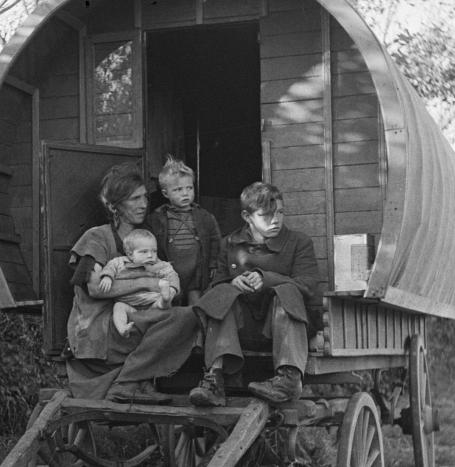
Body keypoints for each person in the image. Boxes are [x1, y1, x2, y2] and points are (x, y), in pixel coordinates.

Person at [65, 164, 201, 403]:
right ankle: (127, 384)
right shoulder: (96, 237)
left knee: (187, 316)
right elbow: (95, 288)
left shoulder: (147, 241)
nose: (143, 204)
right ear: (115, 205)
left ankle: (136, 380)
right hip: (102, 328)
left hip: (137, 318)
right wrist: (146, 283)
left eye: (144, 197)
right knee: (181, 318)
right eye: (134, 199)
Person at [188, 181, 321, 407]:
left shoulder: (299, 242)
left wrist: (267, 279)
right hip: (241, 332)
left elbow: (308, 287)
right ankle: (214, 379)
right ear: (247, 216)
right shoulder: (229, 244)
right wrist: (233, 282)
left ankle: (289, 379)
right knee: (222, 293)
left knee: (285, 290)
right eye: (266, 215)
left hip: (288, 330)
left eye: (280, 212)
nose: (276, 220)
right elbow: (213, 291)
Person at [145, 156, 222, 305]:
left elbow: (216, 241)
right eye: (178, 189)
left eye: (189, 188)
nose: (185, 193)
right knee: (172, 307)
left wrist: (213, 264)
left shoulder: (205, 217)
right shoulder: (155, 219)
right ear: (165, 193)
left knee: (196, 306)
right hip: (169, 274)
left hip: (197, 274)